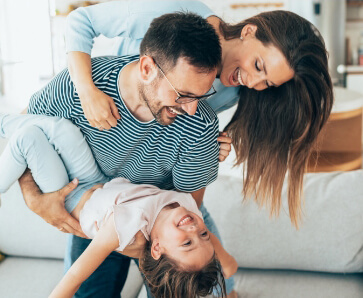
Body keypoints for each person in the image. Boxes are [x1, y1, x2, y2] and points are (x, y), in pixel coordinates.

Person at [18, 12, 238, 297]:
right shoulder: (78, 89)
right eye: (182, 94)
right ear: (147, 68)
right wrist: (34, 199)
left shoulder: (200, 124)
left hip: (164, 222)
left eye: (201, 95)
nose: (191, 109)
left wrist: (152, 240)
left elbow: (190, 203)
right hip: (98, 209)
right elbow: (21, 130)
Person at [66, 0, 334, 228]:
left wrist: (207, 147)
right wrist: (86, 91)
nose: (252, 82)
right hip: (102, 175)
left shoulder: (235, 90)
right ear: (249, 31)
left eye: (267, 83)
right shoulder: (174, 10)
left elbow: (178, 126)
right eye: (258, 65)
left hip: (156, 188)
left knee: (203, 270)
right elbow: (81, 21)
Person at [0, 113, 235, 298]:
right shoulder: (187, 209)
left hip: (71, 197)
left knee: (28, 139)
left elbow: (76, 275)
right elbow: (207, 246)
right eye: (202, 234)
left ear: (157, 248)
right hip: (94, 179)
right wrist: (227, 262)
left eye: (186, 242)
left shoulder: (128, 224)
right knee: (62, 128)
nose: (195, 230)